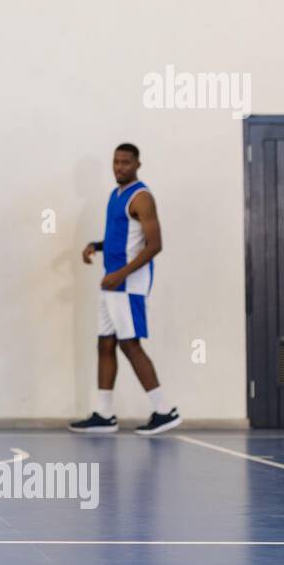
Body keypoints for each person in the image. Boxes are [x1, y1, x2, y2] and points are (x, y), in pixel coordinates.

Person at [68, 143, 182, 435]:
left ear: (137, 164)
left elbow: (155, 245)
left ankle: (164, 410)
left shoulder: (142, 198)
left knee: (130, 345)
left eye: (126, 162)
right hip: (111, 281)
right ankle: (105, 415)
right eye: (116, 162)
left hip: (129, 284)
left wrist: (121, 274)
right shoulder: (114, 195)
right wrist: (97, 246)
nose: (119, 167)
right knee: (105, 343)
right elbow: (122, 238)